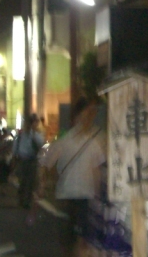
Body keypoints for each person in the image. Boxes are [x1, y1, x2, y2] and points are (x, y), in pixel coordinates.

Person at [41, 99, 104, 242]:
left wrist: (97, 194)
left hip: (84, 196)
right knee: (68, 240)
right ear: (77, 116)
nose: (89, 119)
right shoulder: (64, 140)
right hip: (68, 196)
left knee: (79, 240)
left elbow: (97, 171)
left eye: (91, 115)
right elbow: (47, 164)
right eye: (86, 114)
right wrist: (43, 185)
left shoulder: (93, 142)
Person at [14, 114, 45, 209]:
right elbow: (16, 145)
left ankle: (26, 200)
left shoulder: (35, 135)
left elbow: (41, 144)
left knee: (30, 181)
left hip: (31, 160)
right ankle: (22, 199)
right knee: (23, 181)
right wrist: (14, 155)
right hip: (23, 160)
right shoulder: (21, 134)